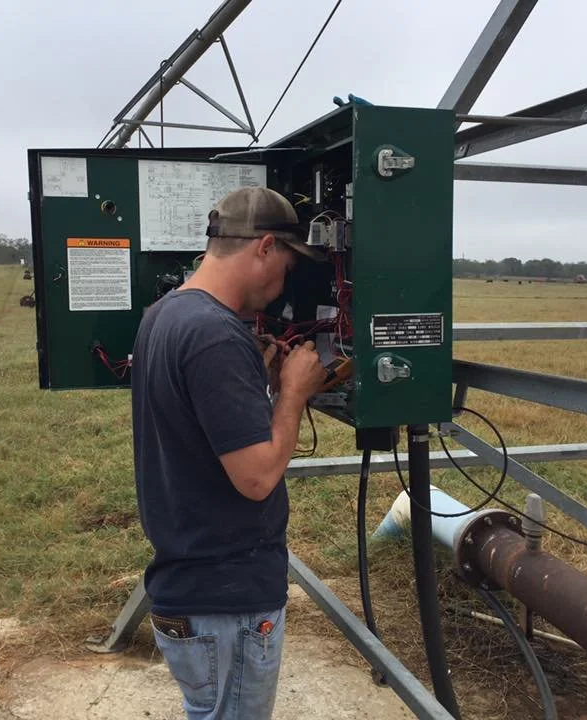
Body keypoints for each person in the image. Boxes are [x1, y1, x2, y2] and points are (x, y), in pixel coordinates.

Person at [131, 186, 328, 719]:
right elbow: (257, 478)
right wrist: (292, 393)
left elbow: (198, 421)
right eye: (287, 266)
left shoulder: (165, 314)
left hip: (188, 584)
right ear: (265, 247)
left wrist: (252, 382)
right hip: (226, 600)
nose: (284, 283)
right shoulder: (216, 336)